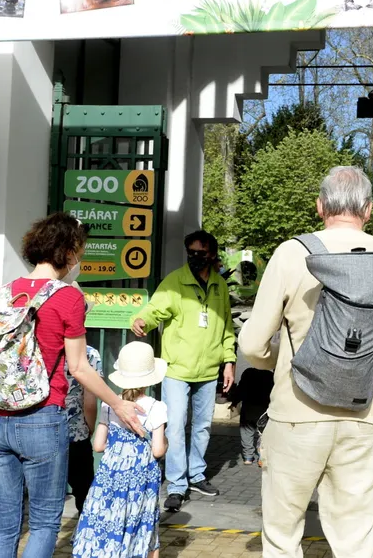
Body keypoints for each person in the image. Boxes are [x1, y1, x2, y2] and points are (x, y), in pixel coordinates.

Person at [237, 166, 373, 558]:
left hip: (296, 415)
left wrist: (292, 366)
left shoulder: (291, 253)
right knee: (355, 540)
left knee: (282, 534)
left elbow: (252, 343)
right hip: (363, 420)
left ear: (320, 206)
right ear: (368, 208)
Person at [0, 213, 144, 558]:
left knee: (5, 525)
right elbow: (79, 367)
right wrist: (118, 403)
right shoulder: (68, 298)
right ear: (68, 253)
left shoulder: (4, 293)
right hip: (42, 417)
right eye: (79, 253)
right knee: (42, 524)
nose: (79, 261)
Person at [130, 230, 236, 510]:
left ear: (212, 254)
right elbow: (154, 309)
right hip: (177, 370)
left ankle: (197, 474)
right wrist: (141, 320)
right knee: (175, 427)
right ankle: (177, 485)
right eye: (191, 252)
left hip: (209, 370)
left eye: (200, 253)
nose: (195, 257)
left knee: (202, 427)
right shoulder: (175, 282)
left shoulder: (219, 286)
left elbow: (226, 326)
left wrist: (229, 361)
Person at [72, 340, 170, 558]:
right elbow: (157, 451)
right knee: (144, 522)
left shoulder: (109, 405)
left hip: (110, 474)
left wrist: (119, 450)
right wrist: (165, 443)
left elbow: (98, 446)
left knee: (108, 519)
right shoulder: (157, 408)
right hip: (141, 479)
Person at [64, 341, 104, 514]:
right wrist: (89, 426)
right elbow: (89, 399)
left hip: (44, 431)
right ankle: (85, 533)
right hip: (77, 433)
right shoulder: (88, 353)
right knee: (84, 491)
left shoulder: (42, 347)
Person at [229, 367, 274, 465]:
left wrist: (234, 401)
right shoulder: (270, 375)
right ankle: (262, 457)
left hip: (248, 409)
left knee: (246, 433)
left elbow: (241, 389)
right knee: (263, 435)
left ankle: (248, 457)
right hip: (264, 411)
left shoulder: (248, 372)